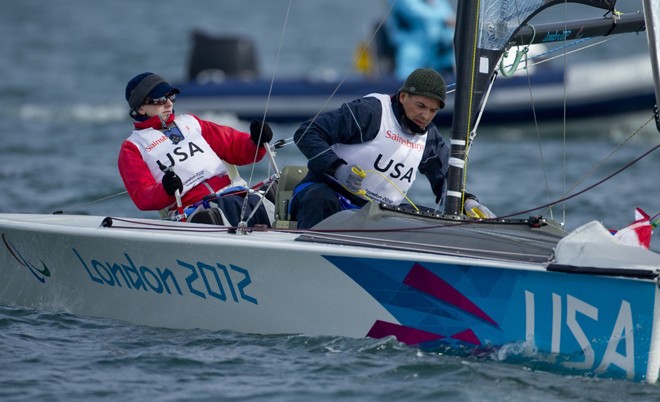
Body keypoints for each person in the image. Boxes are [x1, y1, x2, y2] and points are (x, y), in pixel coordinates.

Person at [290, 68, 494, 229]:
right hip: (328, 195)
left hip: (377, 213)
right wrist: (337, 169)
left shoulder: (429, 137)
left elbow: (446, 178)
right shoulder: (371, 111)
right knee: (319, 199)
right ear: (403, 96)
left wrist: (468, 202)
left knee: (431, 222)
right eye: (421, 106)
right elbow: (307, 132)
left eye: (433, 110)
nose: (426, 116)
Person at [118, 72, 274, 227]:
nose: (169, 104)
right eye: (160, 100)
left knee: (279, 190)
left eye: (171, 96)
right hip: (196, 211)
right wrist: (166, 190)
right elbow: (143, 195)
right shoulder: (133, 147)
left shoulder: (191, 122)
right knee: (228, 209)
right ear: (141, 109)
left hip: (233, 193)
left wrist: (255, 142)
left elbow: (234, 145)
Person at [385, 0, 455, 80]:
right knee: (410, 61)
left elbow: (449, 14)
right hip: (411, 44)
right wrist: (444, 17)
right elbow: (415, 11)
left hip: (437, 47)